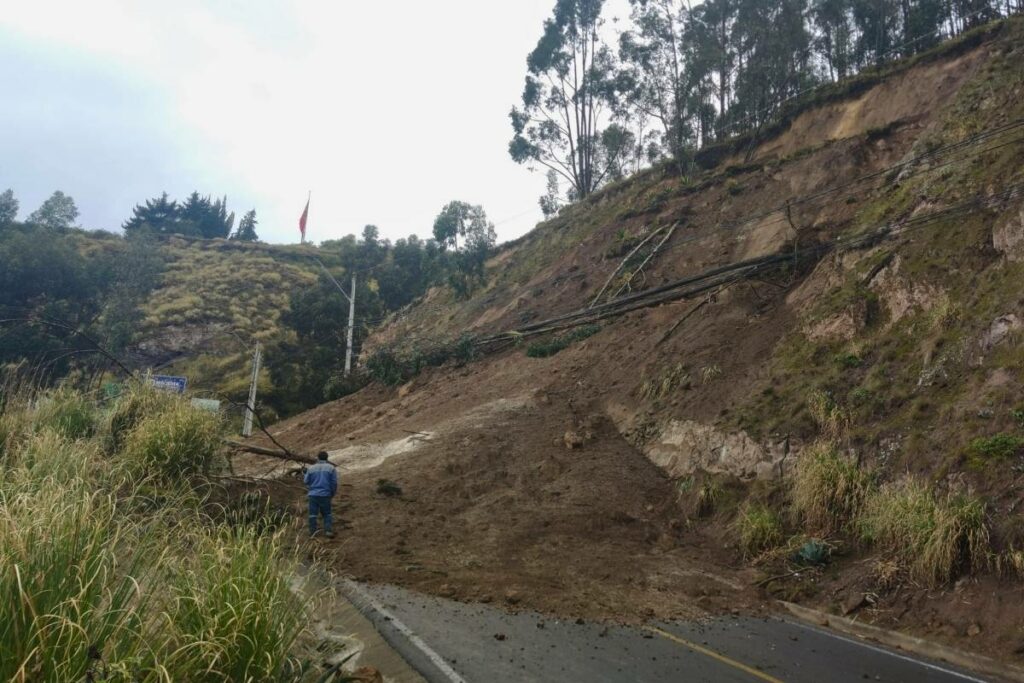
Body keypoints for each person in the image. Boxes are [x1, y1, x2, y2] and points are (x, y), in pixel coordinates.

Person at [304, 451, 338, 538]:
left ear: (318, 458)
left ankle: (312, 532)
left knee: (312, 514)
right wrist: (332, 493)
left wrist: (305, 475)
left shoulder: (311, 468)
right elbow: (334, 483)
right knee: (327, 513)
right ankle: (328, 531)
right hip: (325, 494)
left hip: (313, 494)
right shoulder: (331, 468)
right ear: (327, 458)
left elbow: (306, 481)